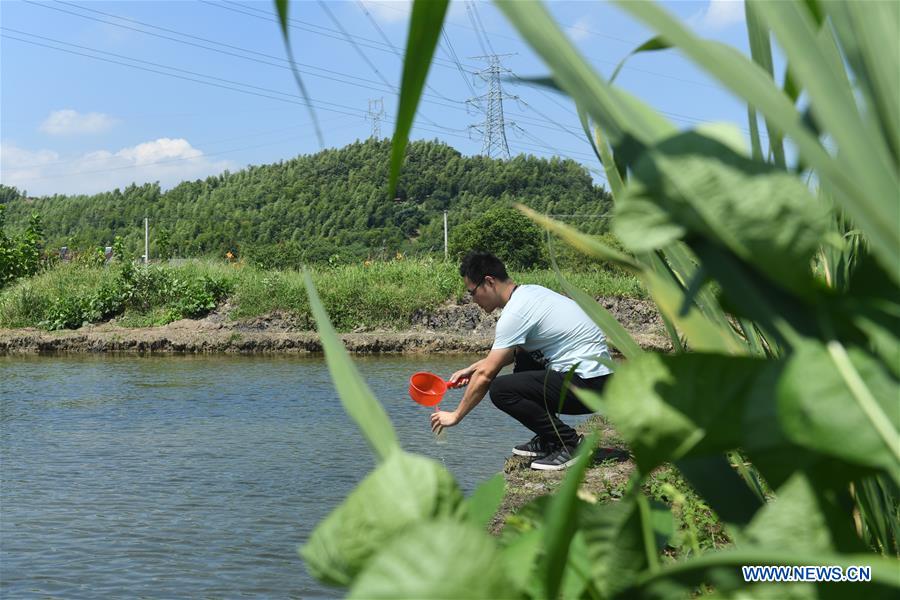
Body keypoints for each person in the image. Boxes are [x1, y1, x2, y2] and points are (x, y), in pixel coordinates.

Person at [431, 251, 614, 471]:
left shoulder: (515, 313)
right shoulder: (529, 294)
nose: (472, 300)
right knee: (524, 355)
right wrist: (474, 367)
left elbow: (487, 375)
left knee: (500, 389)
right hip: (596, 382)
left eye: (472, 292)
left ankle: (570, 443)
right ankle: (550, 438)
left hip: (588, 385)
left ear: (489, 282)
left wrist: (455, 416)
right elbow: (502, 357)